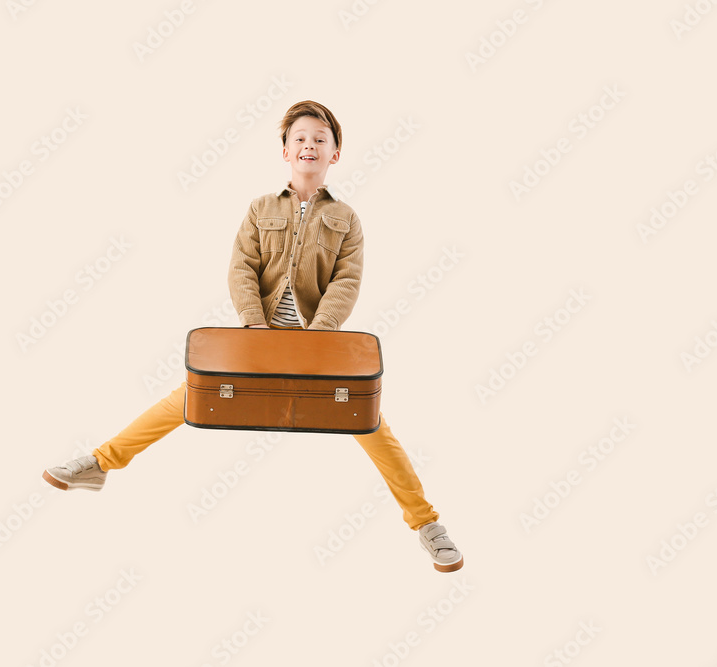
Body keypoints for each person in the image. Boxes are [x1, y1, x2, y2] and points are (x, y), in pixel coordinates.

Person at [42, 101, 463, 572]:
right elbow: (241, 267)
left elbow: (347, 281)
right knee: (187, 399)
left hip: (317, 346)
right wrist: (253, 324)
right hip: (258, 337)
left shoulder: (347, 218)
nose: (310, 145)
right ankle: (100, 464)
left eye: (320, 140)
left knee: (372, 426)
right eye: (300, 138)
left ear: (335, 154)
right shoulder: (260, 208)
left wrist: (318, 337)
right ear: (285, 150)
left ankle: (426, 523)